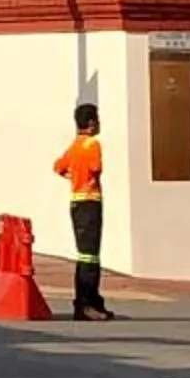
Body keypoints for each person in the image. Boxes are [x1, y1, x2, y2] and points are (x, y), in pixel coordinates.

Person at [53, 102, 114, 321]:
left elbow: (58, 166)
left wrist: (72, 176)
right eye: (97, 119)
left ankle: (91, 301)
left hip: (76, 203)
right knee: (90, 256)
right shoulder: (91, 144)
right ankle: (86, 303)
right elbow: (97, 168)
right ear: (90, 123)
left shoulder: (75, 145)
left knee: (85, 254)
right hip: (90, 202)